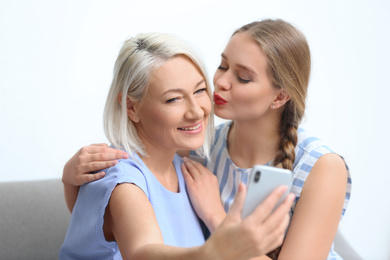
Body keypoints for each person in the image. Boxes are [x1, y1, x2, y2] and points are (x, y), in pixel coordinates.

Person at [62, 19, 352, 259]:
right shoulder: (199, 148)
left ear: (279, 96)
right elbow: (117, 221)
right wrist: (71, 180)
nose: (221, 83)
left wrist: (215, 216)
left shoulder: (322, 166)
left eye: (243, 77)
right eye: (223, 66)